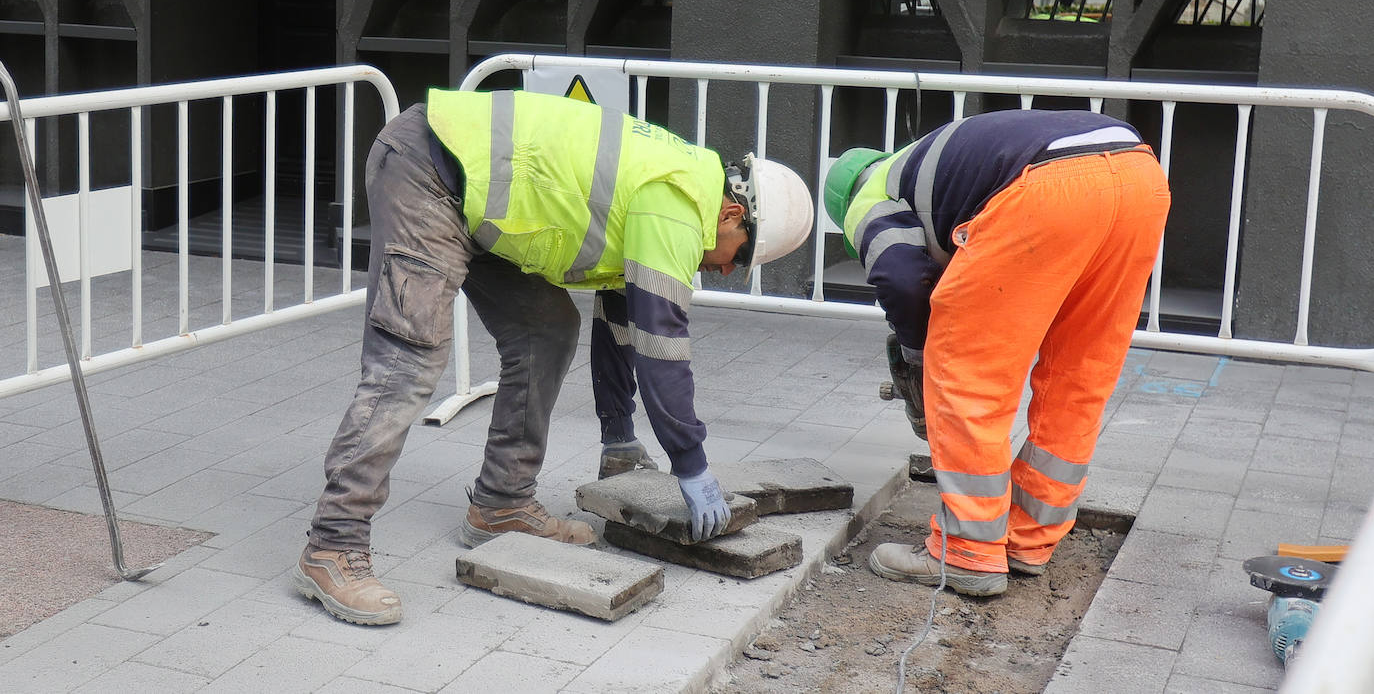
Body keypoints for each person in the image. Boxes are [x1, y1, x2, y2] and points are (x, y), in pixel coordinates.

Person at [295, 89, 814, 625]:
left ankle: (501, 504)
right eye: (741, 257)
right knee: (409, 359)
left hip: (471, 193)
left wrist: (619, 436)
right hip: (429, 168)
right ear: (734, 213)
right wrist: (692, 464)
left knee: (547, 329)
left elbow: (624, 320)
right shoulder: (679, 205)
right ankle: (333, 545)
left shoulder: (678, 193)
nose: (728, 271)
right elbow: (663, 349)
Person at [823, 109, 1170, 597]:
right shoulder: (933, 167)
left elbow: (902, 281)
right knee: (1080, 375)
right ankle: (1029, 539)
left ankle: (966, 551)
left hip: (1047, 188)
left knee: (967, 375)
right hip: (1138, 177)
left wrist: (921, 364)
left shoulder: (868, 199)